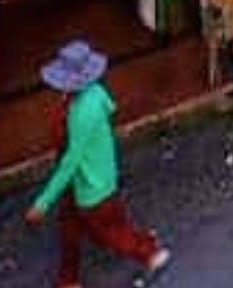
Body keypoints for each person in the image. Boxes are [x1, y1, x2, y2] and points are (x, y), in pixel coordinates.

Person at [27, 41, 171, 288]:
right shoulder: (96, 94)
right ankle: (68, 279)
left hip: (89, 187)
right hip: (99, 178)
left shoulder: (80, 113)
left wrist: (43, 201)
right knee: (74, 227)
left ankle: (147, 251)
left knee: (105, 233)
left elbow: (71, 161)